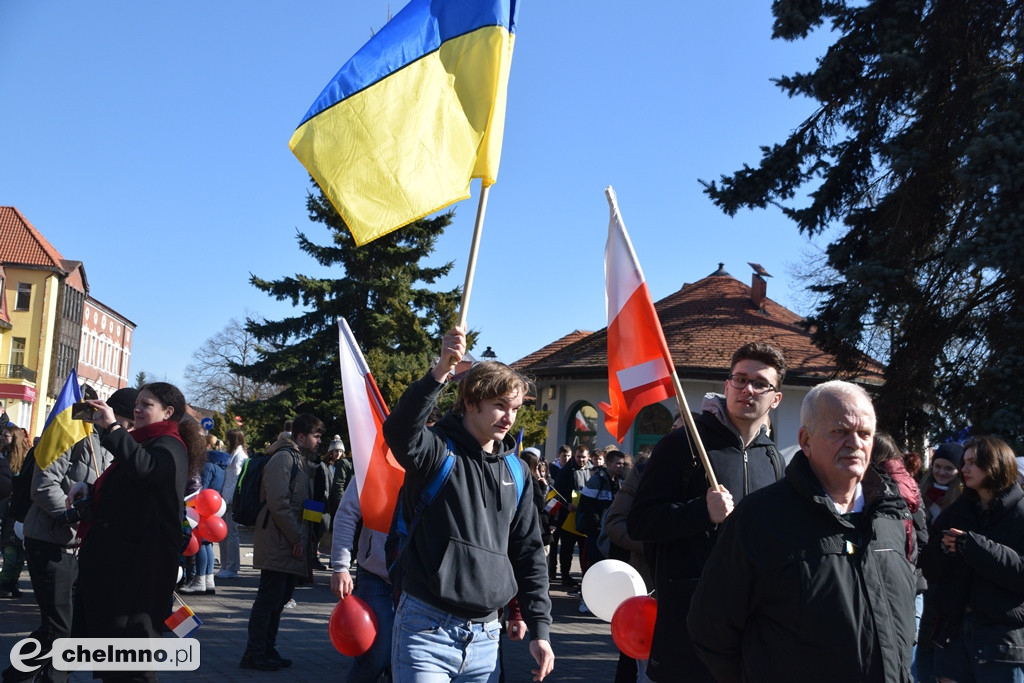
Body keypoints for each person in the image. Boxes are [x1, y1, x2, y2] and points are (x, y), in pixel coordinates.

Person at [687, 380, 916, 682]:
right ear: (805, 440)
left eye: (864, 434)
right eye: (840, 431)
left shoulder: (889, 516)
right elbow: (711, 626)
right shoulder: (761, 518)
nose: (855, 443)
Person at [382, 325, 554, 682]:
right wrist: (441, 370)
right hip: (425, 628)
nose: (509, 417)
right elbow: (399, 432)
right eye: (499, 406)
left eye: (515, 408)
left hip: (487, 638)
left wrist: (540, 628)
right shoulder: (436, 451)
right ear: (471, 402)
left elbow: (528, 554)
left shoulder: (517, 470)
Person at [627, 342, 787, 682]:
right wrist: (700, 511)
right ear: (727, 385)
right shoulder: (681, 446)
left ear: (775, 398)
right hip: (687, 632)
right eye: (740, 379)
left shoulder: (773, 459)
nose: (748, 389)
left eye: (760, 383)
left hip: (751, 634)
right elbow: (640, 522)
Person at [72, 382, 206, 681]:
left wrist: (114, 431)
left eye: (147, 404)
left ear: (167, 412)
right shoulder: (146, 443)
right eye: (138, 403)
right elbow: (129, 490)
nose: (137, 409)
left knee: (131, 659)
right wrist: (90, 489)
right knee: (115, 658)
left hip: (139, 570)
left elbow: (147, 472)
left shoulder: (169, 445)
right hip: (119, 567)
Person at [2, 388, 134, 682]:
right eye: (128, 422)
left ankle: (20, 675)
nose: (129, 430)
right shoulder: (74, 428)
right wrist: (73, 515)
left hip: (77, 545)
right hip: (50, 540)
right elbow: (43, 484)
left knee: (65, 626)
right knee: (58, 627)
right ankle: (23, 677)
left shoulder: (108, 439)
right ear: (112, 414)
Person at [920, 436, 1024, 683]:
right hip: (952, 635)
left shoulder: (1020, 513)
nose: (964, 469)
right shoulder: (957, 511)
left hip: (1000, 639)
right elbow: (930, 570)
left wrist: (976, 547)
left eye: (973, 463)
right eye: (964, 462)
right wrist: (943, 551)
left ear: (996, 464)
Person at [240, 412, 323, 672]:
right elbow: (278, 502)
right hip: (278, 539)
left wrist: (310, 535)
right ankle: (254, 653)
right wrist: (296, 535)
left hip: (288, 539)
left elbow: (303, 503)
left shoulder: (301, 459)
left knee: (280, 598)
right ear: (301, 436)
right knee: (269, 598)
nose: (319, 440)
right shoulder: (284, 458)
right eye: (316, 435)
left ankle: (267, 648)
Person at [330, 478, 394, 682]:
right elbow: (347, 512)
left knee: (405, 660)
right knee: (376, 654)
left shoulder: (435, 456)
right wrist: (341, 566)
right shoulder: (371, 462)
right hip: (377, 574)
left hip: (417, 583)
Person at [182, 436, 229, 594]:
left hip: (202, 507)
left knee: (202, 544)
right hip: (214, 509)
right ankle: (209, 580)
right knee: (208, 545)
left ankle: (200, 579)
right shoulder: (221, 465)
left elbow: (201, 488)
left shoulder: (207, 466)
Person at [552, 444, 591, 592]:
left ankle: (585, 575)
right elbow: (558, 491)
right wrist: (566, 504)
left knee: (583, 548)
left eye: (583, 457)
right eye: (578, 457)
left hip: (584, 515)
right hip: (567, 515)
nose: (581, 460)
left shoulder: (591, 470)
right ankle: (565, 576)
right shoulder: (567, 471)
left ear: (588, 457)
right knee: (567, 548)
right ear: (574, 456)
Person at [0, 423, 31, 598]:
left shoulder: (25, 458)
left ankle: (12, 583)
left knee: (19, 554)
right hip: (4, 507)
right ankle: (5, 583)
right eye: (2, 435)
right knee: (9, 552)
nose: (3, 438)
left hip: (19, 507)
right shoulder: (1, 455)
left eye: (6, 436)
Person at [216, 428, 248, 579]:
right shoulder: (234, 455)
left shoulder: (239, 456)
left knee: (231, 534)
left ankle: (231, 566)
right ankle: (225, 565)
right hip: (226, 499)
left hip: (230, 500)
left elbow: (235, 480)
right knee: (225, 534)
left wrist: (228, 499)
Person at [920, 442, 965, 526]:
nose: (942, 472)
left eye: (949, 468)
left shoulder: (964, 497)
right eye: (938, 466)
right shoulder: (920, 492)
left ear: (959, 471)